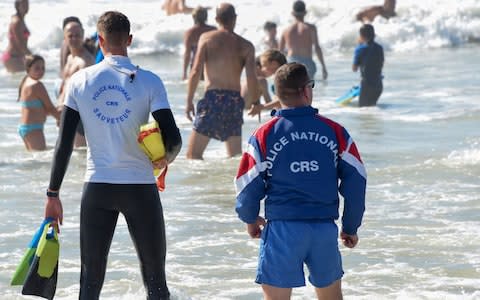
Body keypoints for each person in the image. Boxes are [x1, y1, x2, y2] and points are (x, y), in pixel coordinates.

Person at [43, 11, 182, 299]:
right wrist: (163, 160)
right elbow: (174, 139)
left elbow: (64, 143)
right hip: (140, 188)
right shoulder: (150, 81)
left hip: (97, 188)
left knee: (90, 282)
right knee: (156, 280)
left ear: (100, 40)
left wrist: (52, 194)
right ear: (129, 40)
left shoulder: (80, 81)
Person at [235, 62, 366, 300]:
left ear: (277, 93)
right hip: (323, 229)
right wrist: (350, 226)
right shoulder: (335, 131)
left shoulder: (263, 135)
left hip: (283, 229)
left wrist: (250, 218)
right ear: (306, 90)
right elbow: (356, 180)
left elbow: (247, 184)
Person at [185, 3, 257, 159]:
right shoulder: (246, 46)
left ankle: (202, 184)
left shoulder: (206, 38)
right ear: (235, 19)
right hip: (234, 102)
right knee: (235, 158)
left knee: (193, 156)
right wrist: (256, 102)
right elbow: (252, 77)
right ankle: (229, 183)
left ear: (217, 19)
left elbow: (196, 71)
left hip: (213, 100)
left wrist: (189, 100)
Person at [58, 21, 95, 147]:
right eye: (70, 35)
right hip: (67, 112)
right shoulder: (69, 58)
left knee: (80, 155)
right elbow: (65, 87)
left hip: (79, 117)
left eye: (77, 35)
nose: (74, 38)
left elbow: (87, 94)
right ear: (64, 37)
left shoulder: (85, 61)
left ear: (83, 36)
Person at [17, 55, 60, 151]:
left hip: (26, 128)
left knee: (34, 159)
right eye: (37, 68)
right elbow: (50, 108)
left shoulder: (26, 82)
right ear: (28, 69)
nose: (41, 71)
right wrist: (63, 120)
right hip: (34, 129)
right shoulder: (37, 85)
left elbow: (39, 109)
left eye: (43, 68)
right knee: (40, 161)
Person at [279, 0, 327, 80]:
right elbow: (317, 48)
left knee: (292, 90)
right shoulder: (311, 28)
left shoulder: (286, 30)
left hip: (291, 63)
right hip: (307, 63)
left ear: (292, 13)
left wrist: (279, 70)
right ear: (305, 12)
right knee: (307, 89)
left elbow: (280, 52)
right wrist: (323, 67)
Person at [353, 24, 384, 107]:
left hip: (367, 86)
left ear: (362, 36)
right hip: (378, 85)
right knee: (371, 110)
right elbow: (381, 64)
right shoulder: (380, 48)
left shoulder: (360, 49)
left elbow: (354, 68)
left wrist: (359, 46)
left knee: (363, 112)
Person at [182, 6, 216, 80]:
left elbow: (187, 54)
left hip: (196, 67)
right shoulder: (214, 31)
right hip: (211, 66)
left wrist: (184, 72)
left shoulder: (190, 33)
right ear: (206, 16)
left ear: (194, 17)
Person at [2, 0, 31, 73]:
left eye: (27, 4)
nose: (26, 7)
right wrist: (33, 57)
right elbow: (20, 44)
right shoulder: (16, 22)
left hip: (17, 56)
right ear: (17, 6)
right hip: (12, 57)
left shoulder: (21, 19)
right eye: (23, 4)